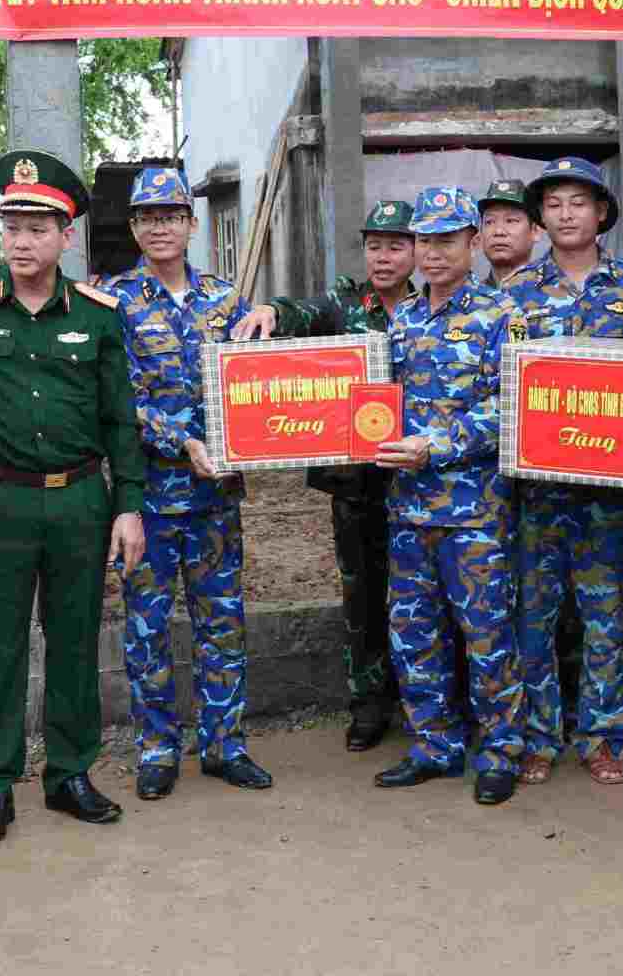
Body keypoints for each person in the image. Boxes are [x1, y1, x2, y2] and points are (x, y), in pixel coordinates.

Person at [0, 149, 146, 845]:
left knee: (76, 641)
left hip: (79, 500)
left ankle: (70, 773)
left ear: (64, 235)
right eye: (12, 225)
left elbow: (119, 418)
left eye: (38, 226)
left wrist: (128, 504)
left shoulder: (100, 316)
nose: (21, 240)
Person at [97, 167, 271, 798]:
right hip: (146, 498)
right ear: (135, 229)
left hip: (216, 498)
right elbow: (116, 398)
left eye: (171, 215)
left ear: (192, 224)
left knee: (223, 621)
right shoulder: (114, 302)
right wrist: (183, 441)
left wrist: (270, 318)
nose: (159, 227)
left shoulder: (226, 301)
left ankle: (225, 745)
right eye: (147, 218)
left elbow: (255, 387)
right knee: (147, 628)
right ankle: (157, 748)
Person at [231, 200, 416, 751]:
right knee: (362, 597)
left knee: (422, 598)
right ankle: (368, 705)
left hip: (422, 483)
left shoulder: (435, 305)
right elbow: (302, 311)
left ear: (417, 250)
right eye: (374, 246)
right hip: (357, 484)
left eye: (396, 246)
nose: (383, 258)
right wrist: (270, 309)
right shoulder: (345, 301)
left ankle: (428, 700)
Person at [370, 186, 526, 806]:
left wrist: (435, 444)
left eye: (445, 240)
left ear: (472, 243)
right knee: (414, 632)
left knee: (487, 635)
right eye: (423, 240)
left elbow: (510, 408)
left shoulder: (500, 316)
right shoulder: (402, 319)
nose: (432, 253)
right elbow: (377, 402)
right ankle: (434, 745)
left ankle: (500, 751)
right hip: (408, 508)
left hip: (474, 512)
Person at [502, 156, 623, 787]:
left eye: (579, 202)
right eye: (555, 204)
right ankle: (539, 737)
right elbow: (500, 385)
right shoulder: (512, 294)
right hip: (536, 494)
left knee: (603, 621)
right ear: (542, 217)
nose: (566, 214)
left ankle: (600, 738)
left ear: (601, 213)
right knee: (532, 622)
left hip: (605, 495)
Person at [478, 178, 538, 287]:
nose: (498, 231)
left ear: (535, 231)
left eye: (511, 220)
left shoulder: (558, 297)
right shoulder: (465, 299)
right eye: (489, 221)